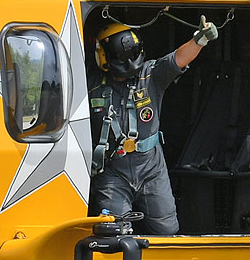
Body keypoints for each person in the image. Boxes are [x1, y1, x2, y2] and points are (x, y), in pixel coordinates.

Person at [88, 15, 218, 234]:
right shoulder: (91, 84)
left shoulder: (151, 75)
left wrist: (200, 40)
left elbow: (178, 59)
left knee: (167, 230)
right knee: (113, 232)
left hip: (151, 169)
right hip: (112, 171)